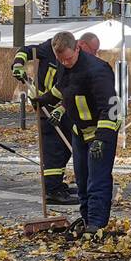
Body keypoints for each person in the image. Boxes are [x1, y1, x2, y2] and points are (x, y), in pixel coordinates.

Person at [54, 38, 118, 233]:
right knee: (82, 179)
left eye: (68, 59)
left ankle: (97, 224)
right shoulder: (66, 65)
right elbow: (64, 90)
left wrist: (101, 138)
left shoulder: (98, 70)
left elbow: (110, 107)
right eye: (61, 60)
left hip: (100, 134)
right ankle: (86, 218)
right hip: (79, 132)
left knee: (97, 180)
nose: (65, 63)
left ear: (78, 49)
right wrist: (48, 102)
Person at [11, 31, 78, 204]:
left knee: (65, 147)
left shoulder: (75, 55)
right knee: (52, 148)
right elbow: (25, 50)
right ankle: (51, 190)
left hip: (63, 106)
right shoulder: (46, 49)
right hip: (44, 105)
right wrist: (18, 64)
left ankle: (56, 183)